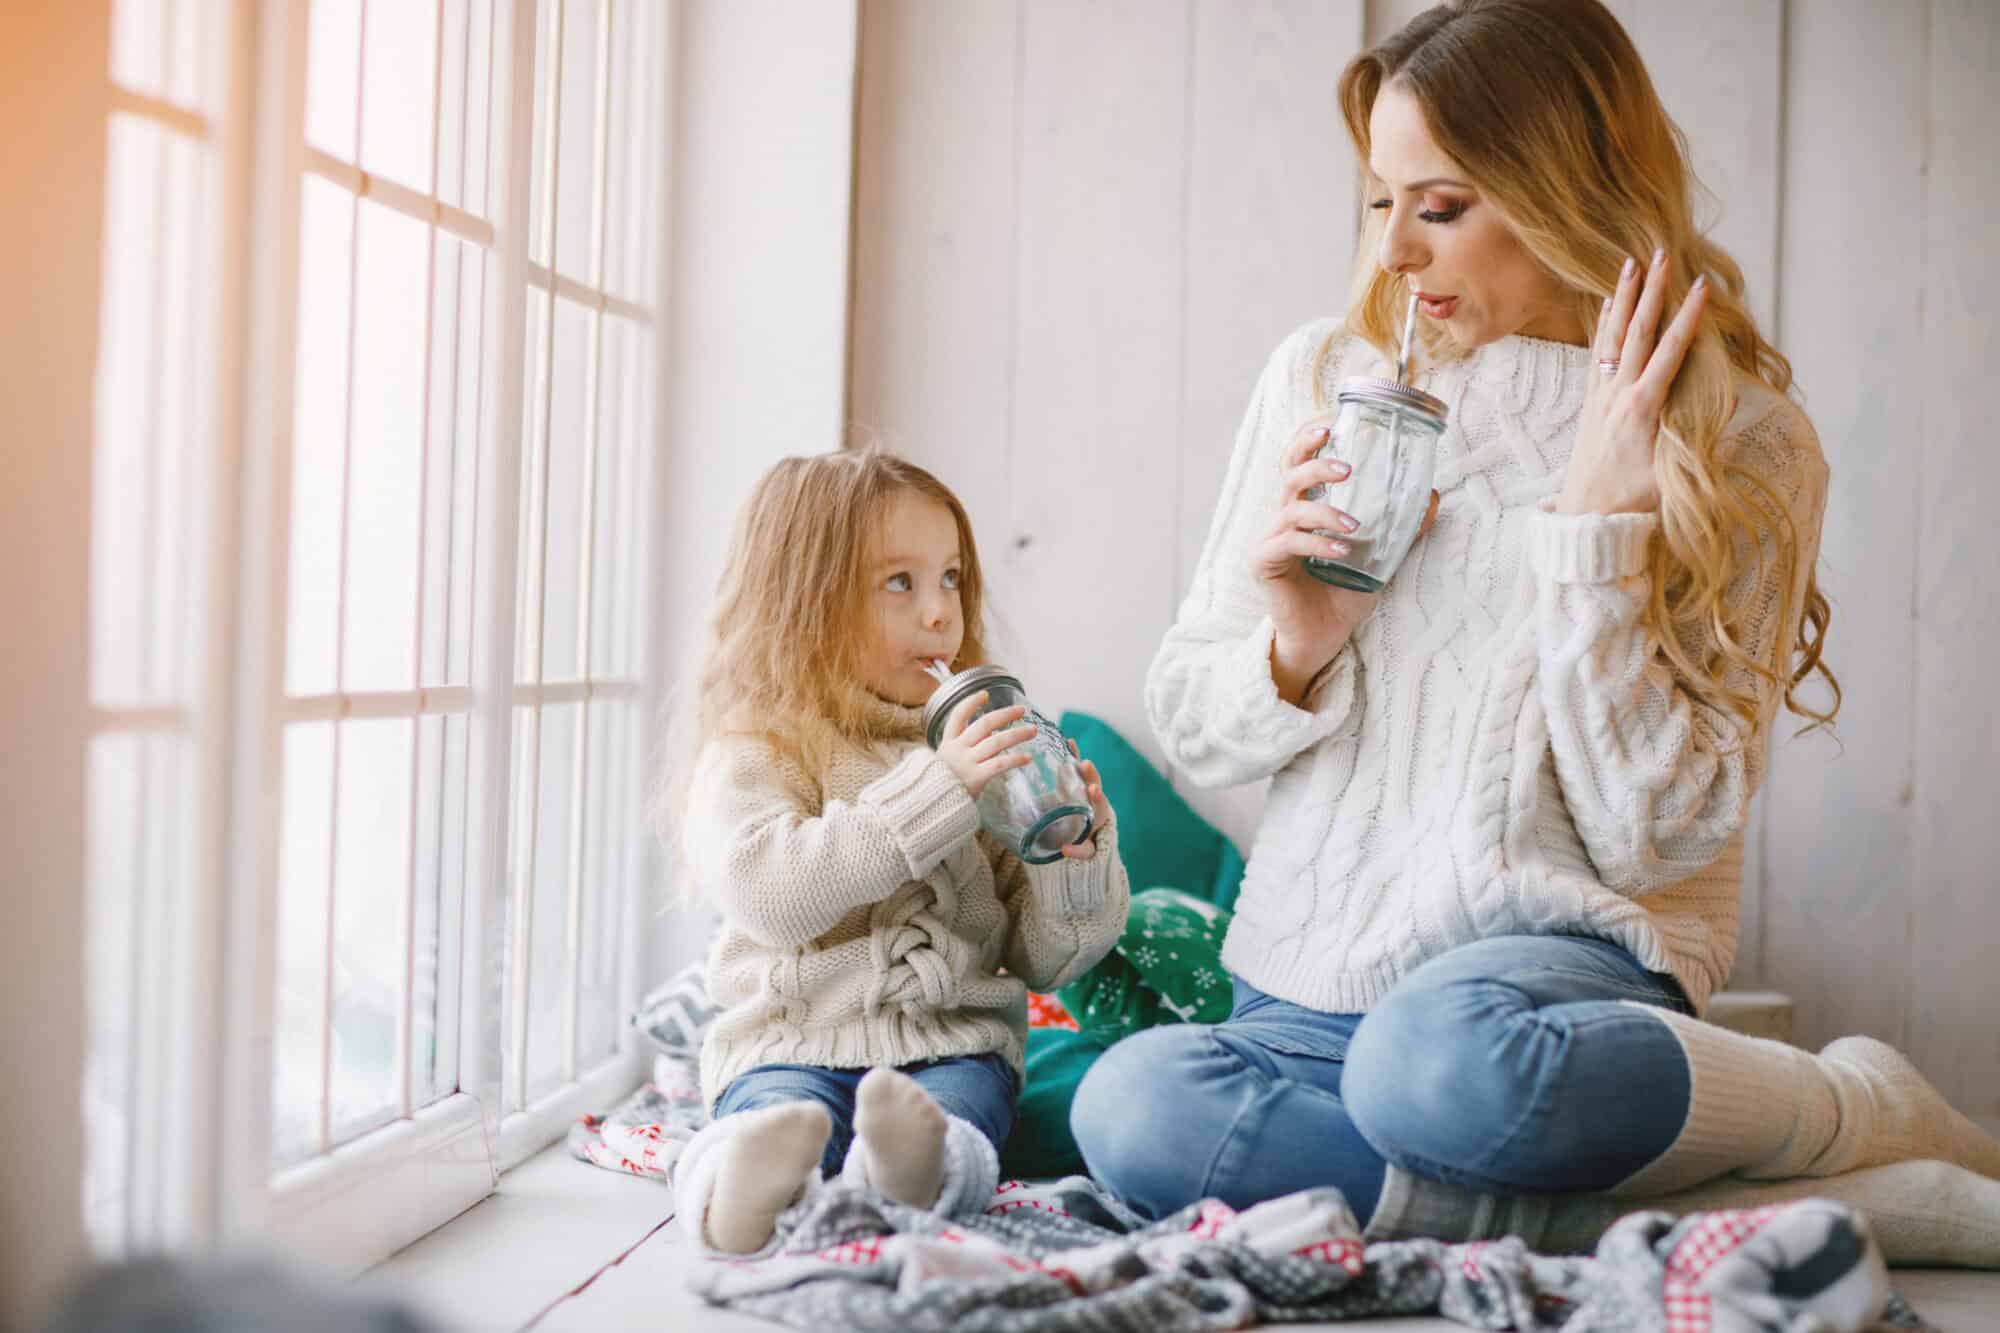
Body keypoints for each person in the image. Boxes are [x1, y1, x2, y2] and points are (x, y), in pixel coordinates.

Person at [1070, 0, 2000, 1265]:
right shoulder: (1322, 377)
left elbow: (1656, 830)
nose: (1393, 249)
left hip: (1535, 998)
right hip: (1306, 989)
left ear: (1565, 190)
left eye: (1438, 205)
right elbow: (1189, 712)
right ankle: (1726, 1211)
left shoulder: (1739, 440)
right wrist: (1295, 642)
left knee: (1432, 1065)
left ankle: (1836, 1108)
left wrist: (1594, 541)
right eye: (1376, 201)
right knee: (1128, 1102)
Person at [665, 447, 1127, 1255]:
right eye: (900, 583)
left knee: (961, 1121)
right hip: (790, 1036)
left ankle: (914, 1172)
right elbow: (769, 891)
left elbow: (1049, 960)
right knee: (772, 1112)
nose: (941, 612)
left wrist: (1073, 854)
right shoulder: (756, 748)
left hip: (951, 1041)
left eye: (950, 577)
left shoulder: (975, 745)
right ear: (800, 602)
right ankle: (735, 1192)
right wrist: (939, 790)